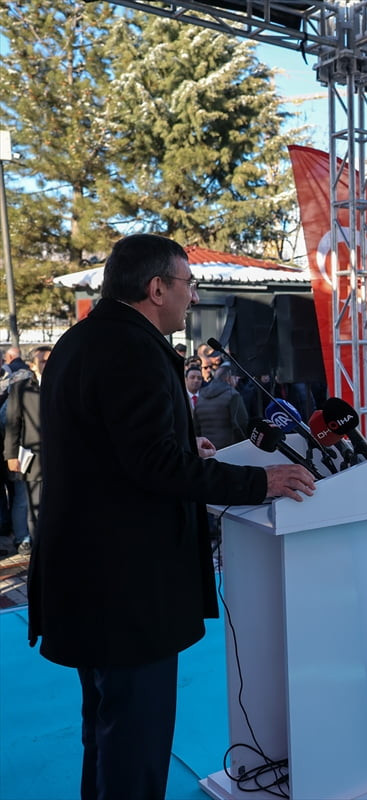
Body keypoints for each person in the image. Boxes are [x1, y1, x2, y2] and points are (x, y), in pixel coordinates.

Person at [28, 234, 315, 800]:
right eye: (187, 285)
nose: (193, 297)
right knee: (134, 739)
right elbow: (152, 466)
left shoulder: (84, 340)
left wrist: (188, 450)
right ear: (156, 288)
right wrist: (260, 480)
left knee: (107, 730)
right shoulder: (133, 350)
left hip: (89, 577)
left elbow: (112, 451)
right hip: (127, 588)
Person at [3, 345, 50, 555]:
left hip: (57, 455)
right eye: (43, 360)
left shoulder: (61, 383)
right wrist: (11, 455)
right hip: (30, 453)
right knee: (27, 500)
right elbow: (12, 423)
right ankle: (28, 540)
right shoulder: (22, 388)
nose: (48, 364)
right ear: (33, 364)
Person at [193, 364, 249, 450]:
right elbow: (241, 424)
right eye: (235, 378)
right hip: (230, 450)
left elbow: (196, 426)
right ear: (228, 378)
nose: (237, 381)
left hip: (208, 450)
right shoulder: (233, 395)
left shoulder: (201, 395)